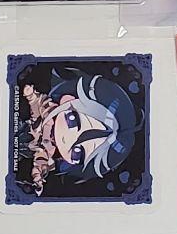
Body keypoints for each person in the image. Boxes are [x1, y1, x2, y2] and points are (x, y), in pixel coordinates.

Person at [19, 69, 142, 197]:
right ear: (67, 100)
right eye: (72, 120)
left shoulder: (50, 153)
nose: (66, 139)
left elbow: (40, 161)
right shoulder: (48, 111)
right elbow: (37, 106)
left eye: (77, 153)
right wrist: (31, 96)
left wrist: (37, 175)